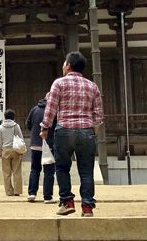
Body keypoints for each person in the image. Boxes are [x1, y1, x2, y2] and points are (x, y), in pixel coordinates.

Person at [40, 51, 103, 217]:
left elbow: (51, 108)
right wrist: (93, 130)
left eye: (64, 63)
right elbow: (98, 115)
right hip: (86, 131)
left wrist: (45, 128)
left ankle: (67, 201)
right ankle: (87, 207)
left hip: (64, 130)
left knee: (62, 168)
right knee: (86, 171)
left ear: (68, 65)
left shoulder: (59, 83)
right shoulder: (92, 86)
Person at [26, 95, 57, 203]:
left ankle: (31, 193)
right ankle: (47, 196)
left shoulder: (34, 109)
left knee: (34, 169)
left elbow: (28, 124)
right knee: (48, 171)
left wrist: (35, 133)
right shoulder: (54, 111)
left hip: (35, 143)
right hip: (49, 144)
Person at [0, 109, 25, 197]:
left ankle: (9, 192)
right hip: (15, 150)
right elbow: (20, 138)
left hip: (5, 150)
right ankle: (17, 191)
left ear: (5, 117)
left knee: (6, 173)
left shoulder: (1, 127)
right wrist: (22, 150)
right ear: (13, 117)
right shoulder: (16, 126)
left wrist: (0, 151)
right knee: (16, 171)